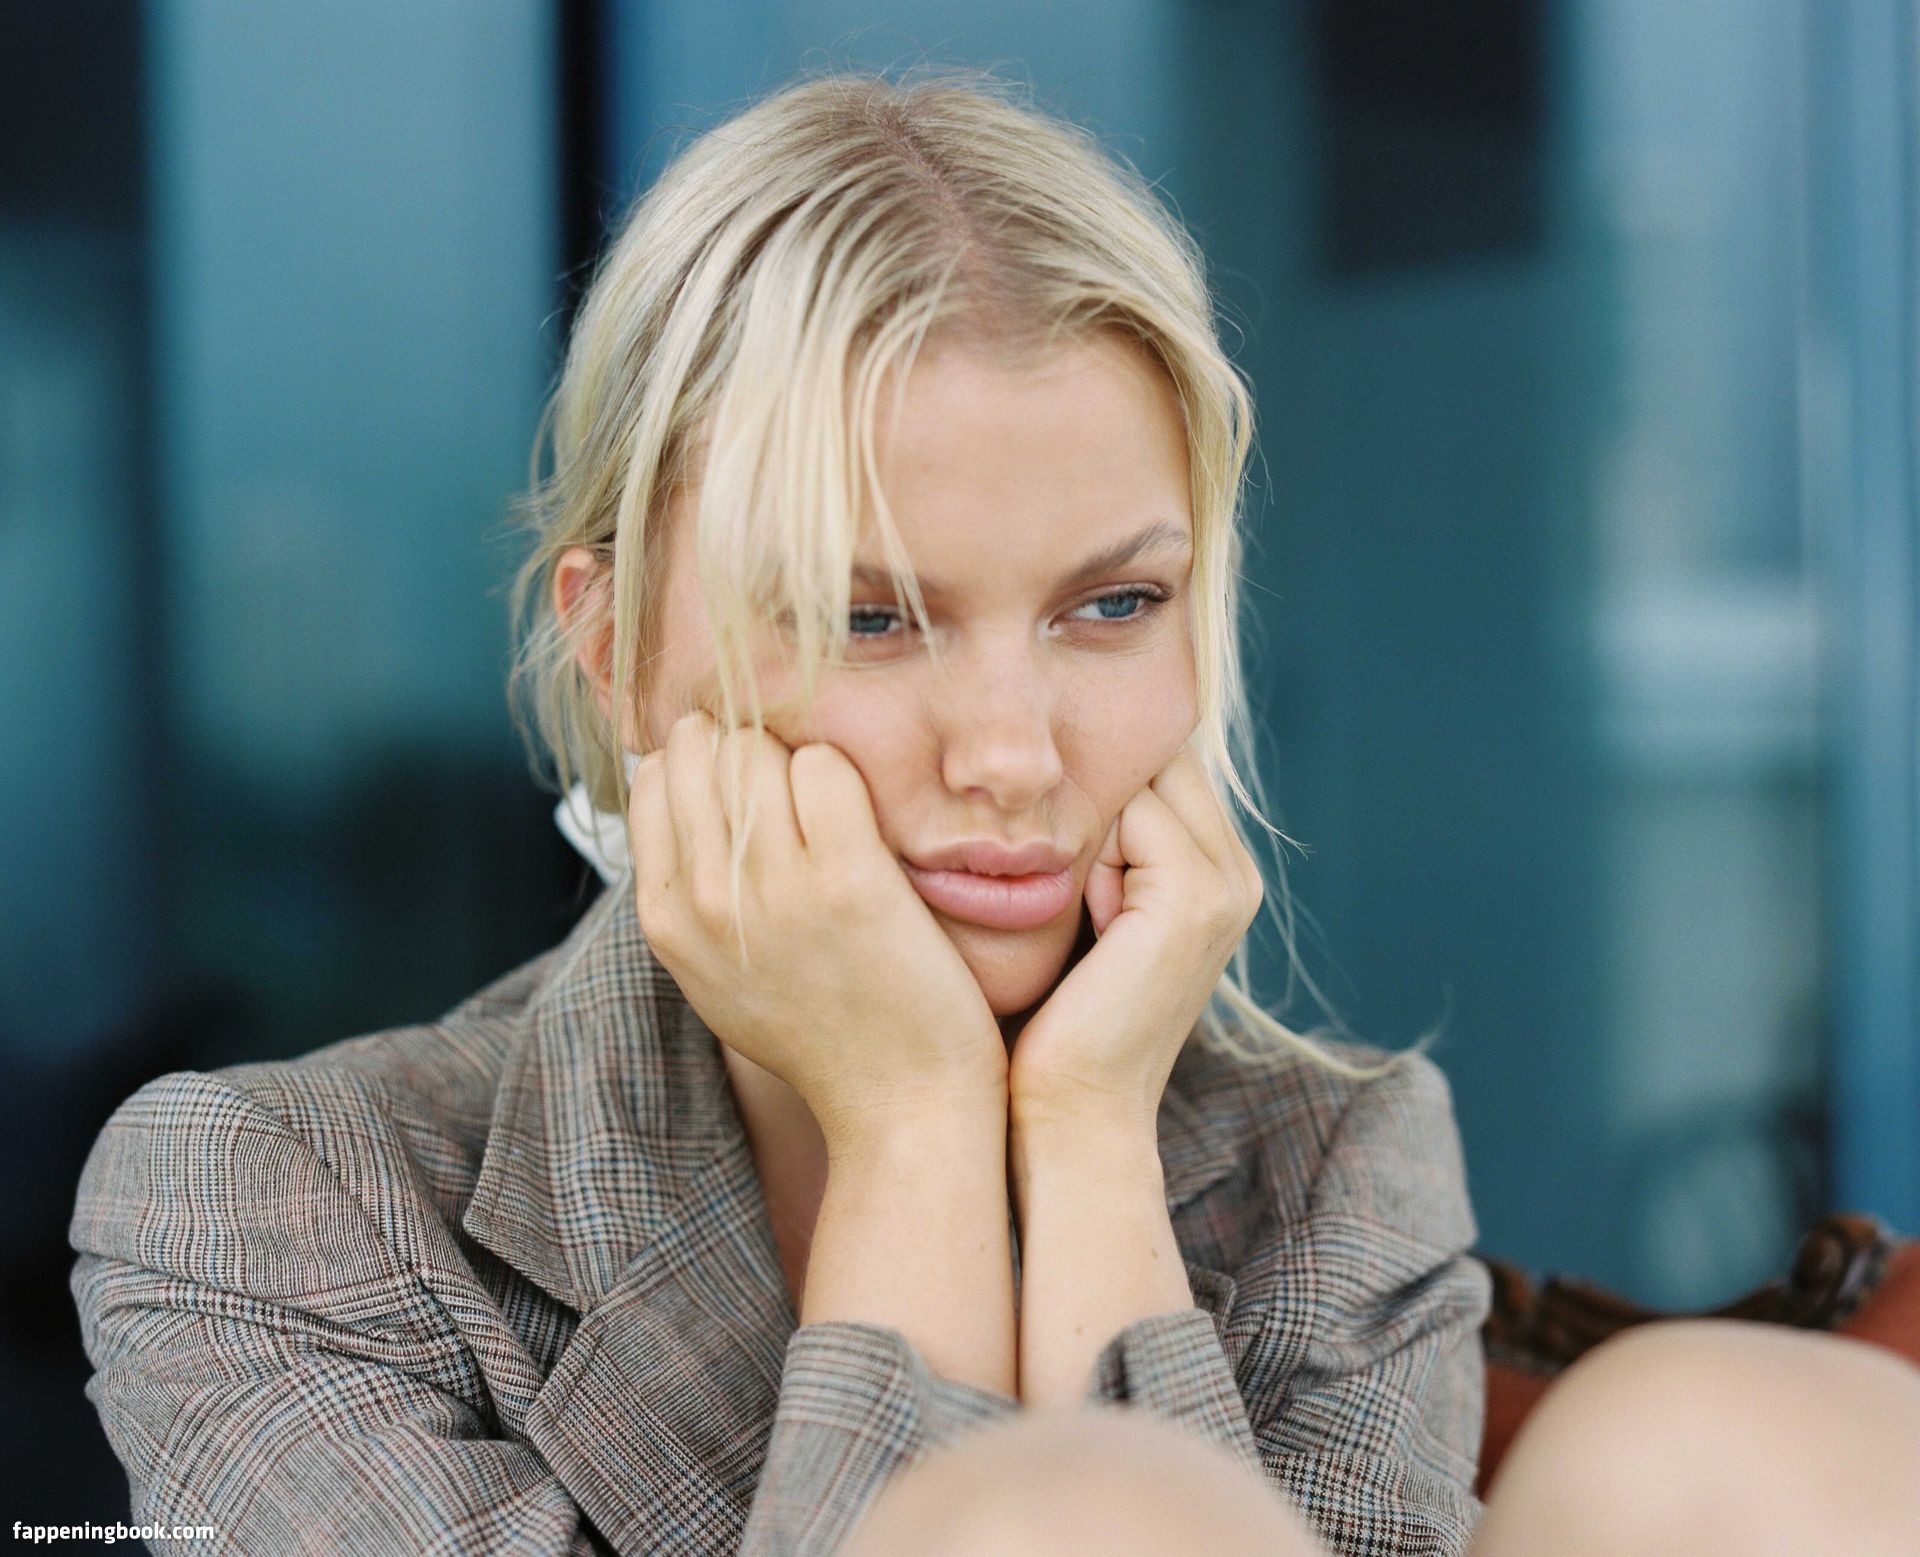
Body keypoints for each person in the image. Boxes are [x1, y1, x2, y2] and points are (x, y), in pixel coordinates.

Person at [67, 63, 1920, 1557]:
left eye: (1113, 605)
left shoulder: (1337, 1160)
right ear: (619, 652)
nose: (1015, 754)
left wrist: (1090, 1133)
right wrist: (912, 1125)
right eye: (871, 619)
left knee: (1722, 1440)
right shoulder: (269, 1207)